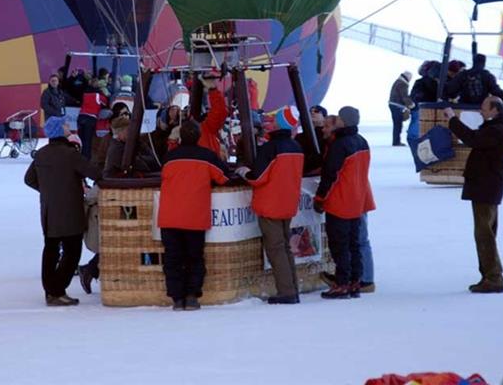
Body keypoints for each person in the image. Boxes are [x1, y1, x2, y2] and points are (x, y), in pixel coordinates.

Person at [24, 116, 102, 306]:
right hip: (70, 211)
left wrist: (49, 190)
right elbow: (94, 173)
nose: (69, 127)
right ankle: (57, 290)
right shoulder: (70, 154)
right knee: (72, 252)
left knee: (50, 251)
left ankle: (50, 291)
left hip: (49, 212)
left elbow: (29, 179)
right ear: (60, 130)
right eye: (66, 125)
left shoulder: (41, 154)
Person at [157, 119, 233, 310]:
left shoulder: (169, 157)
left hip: (169, 216)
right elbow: (224, 178)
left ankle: (176, 298)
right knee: (194, 258)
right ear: (199, 136)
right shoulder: (207, 157)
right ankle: (191, 296)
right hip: (194, 216)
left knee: (173, 258)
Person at [238, 106, 304, 305]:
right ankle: (292, 287)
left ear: (279, 124)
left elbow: (257, 177)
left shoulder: (271, 148)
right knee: (285, 247)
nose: (270, 121)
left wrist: (243, 172)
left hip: (270, 204)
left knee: (276, 249)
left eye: (275, 119)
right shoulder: (296, 147)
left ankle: (286, 292)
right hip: (288, 202)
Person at [443, 96, 503, 293]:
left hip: (486, 186)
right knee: (486, 231)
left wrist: (453, 120)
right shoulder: (495, 128)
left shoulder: (496, 130)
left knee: (484, 233)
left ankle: (493, 276)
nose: (481, 111)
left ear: (495, 110)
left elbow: (472, 139)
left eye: (484, 108)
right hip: (487, 185)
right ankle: (490, 274)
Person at [314, 107, 375, 299]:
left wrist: (320, 197)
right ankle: (355, 281)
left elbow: (330, 174)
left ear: (343, 121)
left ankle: (342, 283)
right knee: (354, 244)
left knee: (339, 246)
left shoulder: (340, 145)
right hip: (357, 201)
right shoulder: (362, 142)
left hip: (339, 202)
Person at [297, 105, 327, 173]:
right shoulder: (299, 137)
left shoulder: (328, 137)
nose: (312, 113)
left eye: (316, 111)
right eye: (310, 112)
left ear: (324, 117)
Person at [388, 71, 414, 146]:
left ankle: (396, 141)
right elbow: (404, 96)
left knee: (397, 124)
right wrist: (411, 105)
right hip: (397, 105)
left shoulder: (399, 81)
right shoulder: (403, 84)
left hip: (393, 104)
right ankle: (396, 142)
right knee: (398, 124)